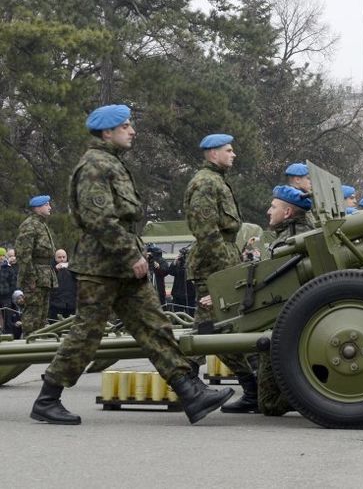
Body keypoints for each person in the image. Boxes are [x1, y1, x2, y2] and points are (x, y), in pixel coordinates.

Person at [31, 104, 233, 425]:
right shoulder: (95, 165)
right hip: (100, 265)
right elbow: (100, 219)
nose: (132, 130)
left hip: (121, 265)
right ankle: (47, 398)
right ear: (107, 132)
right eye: (125, 126)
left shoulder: (112, 163)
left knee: (155, 326)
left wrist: (132, 256)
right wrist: (131, 254)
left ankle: (190, 391)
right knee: (87, 333)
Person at [184, 132, 256, 414]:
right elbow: (205, 230)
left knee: (219, 327)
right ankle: (187, 385)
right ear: (213, 153)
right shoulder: (205, 183)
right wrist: (222, 272)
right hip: (213, 265)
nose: (233, 154)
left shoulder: (216, 181)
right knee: (206, 329)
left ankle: (251, 388)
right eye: (228, 150)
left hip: (223, 260)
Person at [256, 184, 314, 416]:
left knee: (269, 404)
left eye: (274, 207)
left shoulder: (288, 242)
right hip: (296, 315)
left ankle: (312, 396)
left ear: (288, 213)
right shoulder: (300, 233)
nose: (269, 211)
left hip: (283, 318)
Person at [14, 195, 58, 335]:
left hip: (44, 276)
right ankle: (29, 346)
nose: (50, 207)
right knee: (32, 314)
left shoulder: (41, 224)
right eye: (47, 205)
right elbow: (23, 255)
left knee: (42, 316)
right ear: (38, 208)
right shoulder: (29, 225)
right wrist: (30, 278)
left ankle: (39, 344)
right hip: (35, 277)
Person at [48, 249, 77, 319]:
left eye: (64, 257)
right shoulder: (50, 269)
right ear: (55, 258)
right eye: (59, 257)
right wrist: (55, 270)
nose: (62, 259)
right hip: (55, 305)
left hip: (71, 305)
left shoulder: (72, 269)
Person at [168, 246, 196, 313]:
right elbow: (171, 272)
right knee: (178, 314)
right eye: (180, 254)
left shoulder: (192, 264)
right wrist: (174, 263)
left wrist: (188, 263)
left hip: (189, 294)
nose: (180, 256)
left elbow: (189, 274)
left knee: (190, 313)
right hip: (177, 294)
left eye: (181, 254)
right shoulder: (177, 263)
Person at [0, 248, 18, 333]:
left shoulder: (8, 268)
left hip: (6, 298)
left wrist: (9, 292)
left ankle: (9, 337)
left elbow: (13, 282)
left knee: (8, 320)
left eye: (3, 255)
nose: (1, 257)